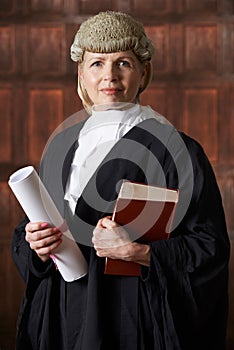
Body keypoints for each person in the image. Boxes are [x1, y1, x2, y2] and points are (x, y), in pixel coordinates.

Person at [12, 11, 230, 350]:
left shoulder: (177, 151)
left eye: (123, 62)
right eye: (96, 63)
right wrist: (35, 245)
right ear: (81, 74)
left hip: (130, 321)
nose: (109, 76)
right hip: (61, 315)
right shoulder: (62, 146)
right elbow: (33, 228)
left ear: (144, 71)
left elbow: (210, 246)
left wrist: (139, 252)